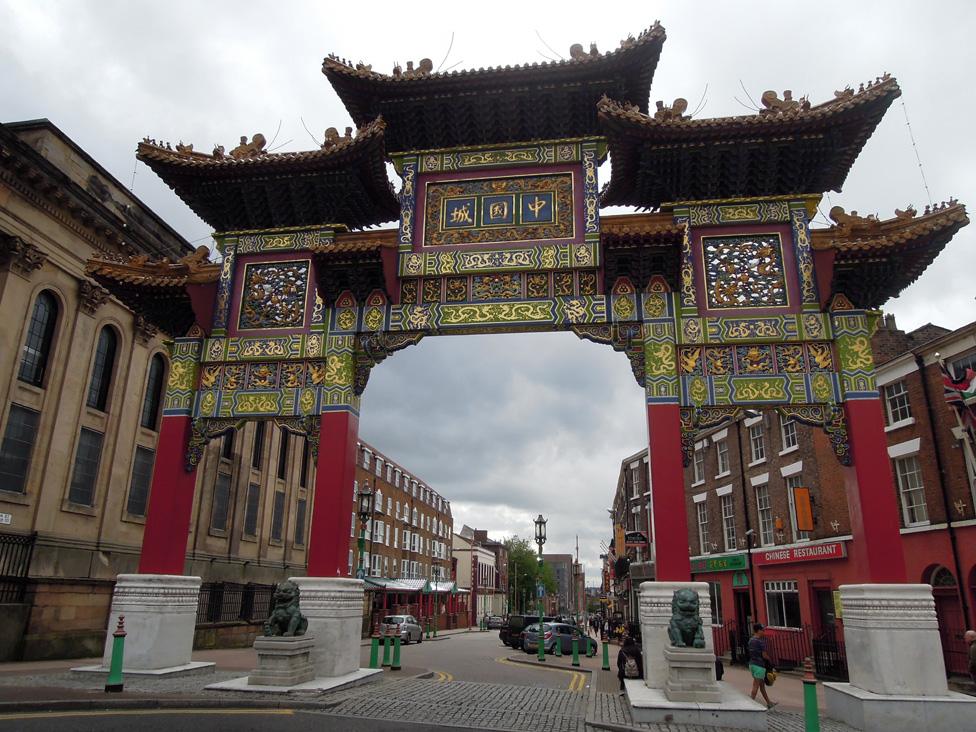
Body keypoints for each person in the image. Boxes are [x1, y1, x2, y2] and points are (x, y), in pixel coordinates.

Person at [747, 623, 776, 709]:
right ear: (758, 631)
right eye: (763, 630)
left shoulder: (750, 641)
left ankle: (769, 702)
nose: (764, 632)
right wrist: (770, 659)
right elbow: (764, 655)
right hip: (759, 666)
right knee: (756, 686)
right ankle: (750, 704)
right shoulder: (760, 642)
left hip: (752, 665)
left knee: (761, 686)